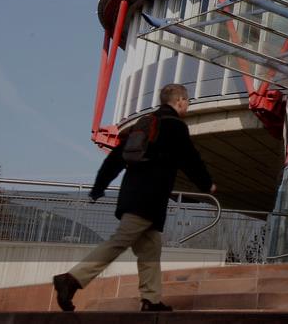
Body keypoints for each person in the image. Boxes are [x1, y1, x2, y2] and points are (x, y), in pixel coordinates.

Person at [53, 83, 215, 312]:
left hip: (133, 193)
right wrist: (207, 183)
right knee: (119, 241)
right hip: (149, 198)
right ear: (179, 101)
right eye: (187, 101)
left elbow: (116, 157)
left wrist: (100, 185)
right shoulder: (174, 125)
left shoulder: (146, 123)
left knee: (150, 248)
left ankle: (151, 300)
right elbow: (190, 158)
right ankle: (71, 279)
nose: (187, 105)